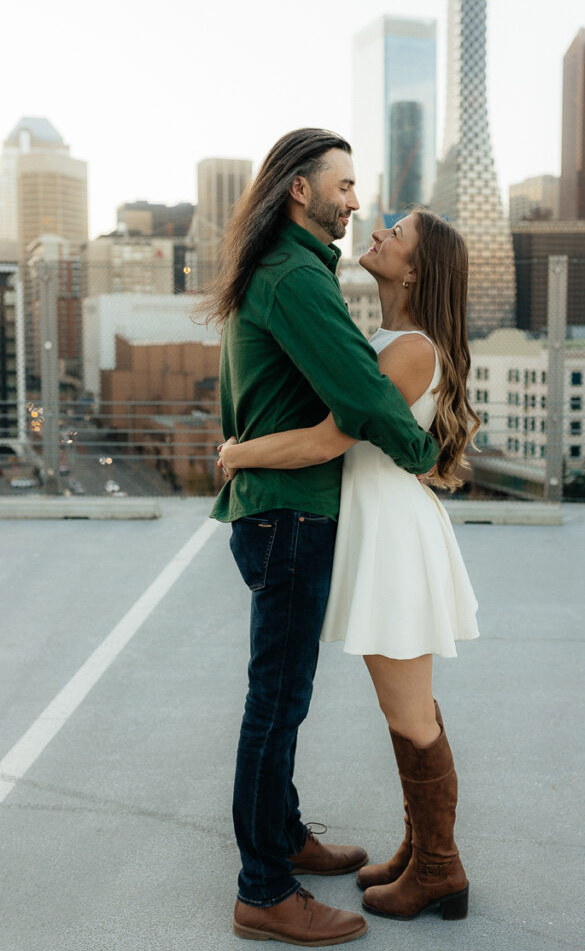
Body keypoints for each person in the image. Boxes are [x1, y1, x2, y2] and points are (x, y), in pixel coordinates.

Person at [202, 128, 440, 946]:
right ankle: (264, 889)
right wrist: (426, 453)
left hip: (276, 508)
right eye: (342, 186)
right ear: (299, 190)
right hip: (291, 513)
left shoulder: (279, 265)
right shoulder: (297, 275)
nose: (355, 201)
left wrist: (238, 453)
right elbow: (360, 396)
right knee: (275, 705)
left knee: (282, 699)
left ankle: (285, 837)